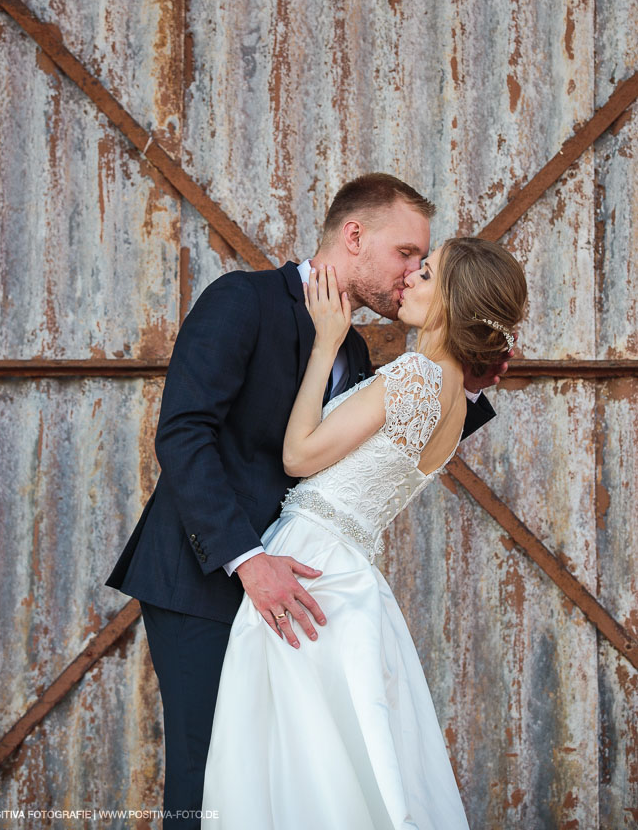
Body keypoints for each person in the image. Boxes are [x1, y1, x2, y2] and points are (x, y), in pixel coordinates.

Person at [105, 174, 507, 828]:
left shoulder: (346, 342)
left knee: (287, 780)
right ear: (354, 236)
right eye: (406, 254)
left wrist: (468, 380)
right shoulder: (244, 300)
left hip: (305, 580)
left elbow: (381, 444)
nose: (410, 274)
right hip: (208, 579)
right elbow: (182, 433)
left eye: (421, 264)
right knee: (210, 779)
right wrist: (247, 558)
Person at [201, 239, 527, 829]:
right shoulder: (453, 398)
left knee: (290, 760)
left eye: (425, 272)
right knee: (334, 758)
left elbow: (299, 456)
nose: (408, 280)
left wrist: (326, 343)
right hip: (346, 569)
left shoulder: (417, 376)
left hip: (311, 560)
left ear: (451, 300)